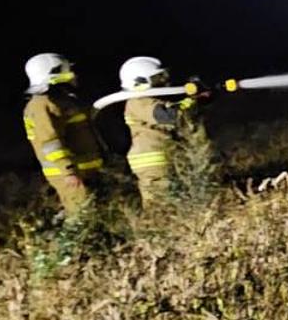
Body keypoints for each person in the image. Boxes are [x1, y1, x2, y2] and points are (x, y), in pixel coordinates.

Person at [21, 53, 102, 218]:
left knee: (95, 214)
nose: (72, 74)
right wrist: (68, 171)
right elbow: (51, 143)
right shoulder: (42, 105)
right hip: (71, 174)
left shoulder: (61, 101)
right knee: (82, 217)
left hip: (83, 171)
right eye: (66, 70)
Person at [117, 56, 203, 206]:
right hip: (152, 163)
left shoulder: (152, 99)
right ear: (140, 82)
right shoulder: (138, 101)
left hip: (164, 157)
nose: (164, 81)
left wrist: (200, 98)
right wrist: (192, 100)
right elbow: (167, 115)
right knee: (159, 206)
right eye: (157, 78)